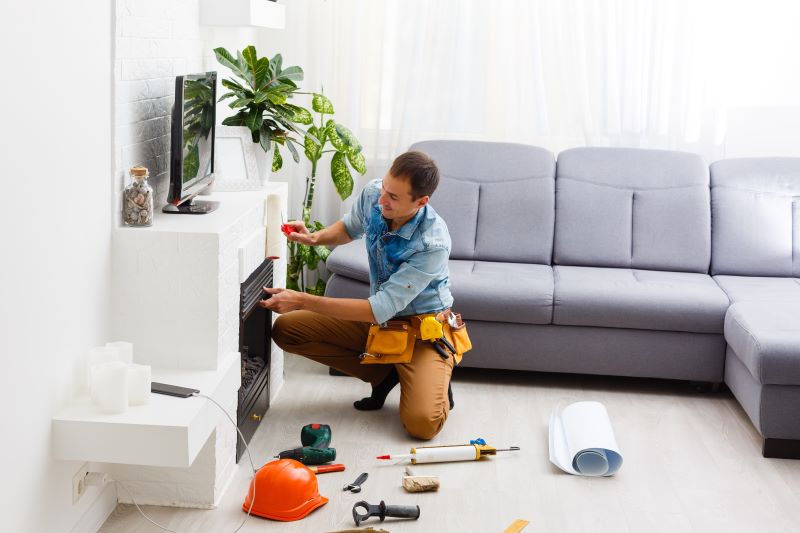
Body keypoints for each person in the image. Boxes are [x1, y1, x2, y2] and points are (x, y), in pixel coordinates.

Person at [261, 151, 456, 440]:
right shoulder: (376, 194)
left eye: (393, 197)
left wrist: (301, 299)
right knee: (288, 331)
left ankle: (432, 374)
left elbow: (379, 307)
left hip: (421, 332)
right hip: (381, 323)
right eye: (384, 189)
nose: (382, 200)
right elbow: (350, 227)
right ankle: (385, 374)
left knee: (422, 424)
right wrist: (314, 238)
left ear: (421, 202)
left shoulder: (432, 243)